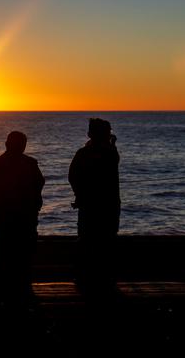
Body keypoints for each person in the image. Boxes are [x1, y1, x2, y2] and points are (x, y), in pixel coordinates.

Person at [0, 131, 45, 306]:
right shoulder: (30, 164)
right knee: (21, 258)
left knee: (3, 257)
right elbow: (39, 185)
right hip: (20, 219)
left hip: (5, 219)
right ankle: (20, 292)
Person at [68, 118, 121, 297]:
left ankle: (85, 276)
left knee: (86, 239)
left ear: (90, 134)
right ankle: (105, 278)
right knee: (107, 240)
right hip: (108, 205)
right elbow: (114, 159)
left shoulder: (83, 153)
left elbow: (72, 175)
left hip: (88, 204)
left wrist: (80, 194)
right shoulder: (110, 153)